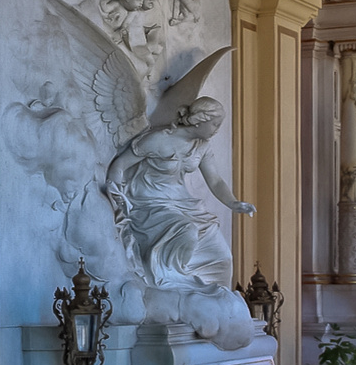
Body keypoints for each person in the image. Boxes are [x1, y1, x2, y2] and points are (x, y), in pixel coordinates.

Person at [104, 96, 253, 292]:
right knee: (185, 231)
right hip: (151, 204)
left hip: (186, 205)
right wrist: (116, 197)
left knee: (221, 254)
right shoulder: (158, 140)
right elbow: (120, 165)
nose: (217, 129)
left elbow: (215, 181)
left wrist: (233, 203)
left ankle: (215, 302)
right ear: (199, 120)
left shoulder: (202, 146)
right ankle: (171, 289)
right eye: (215, 124)